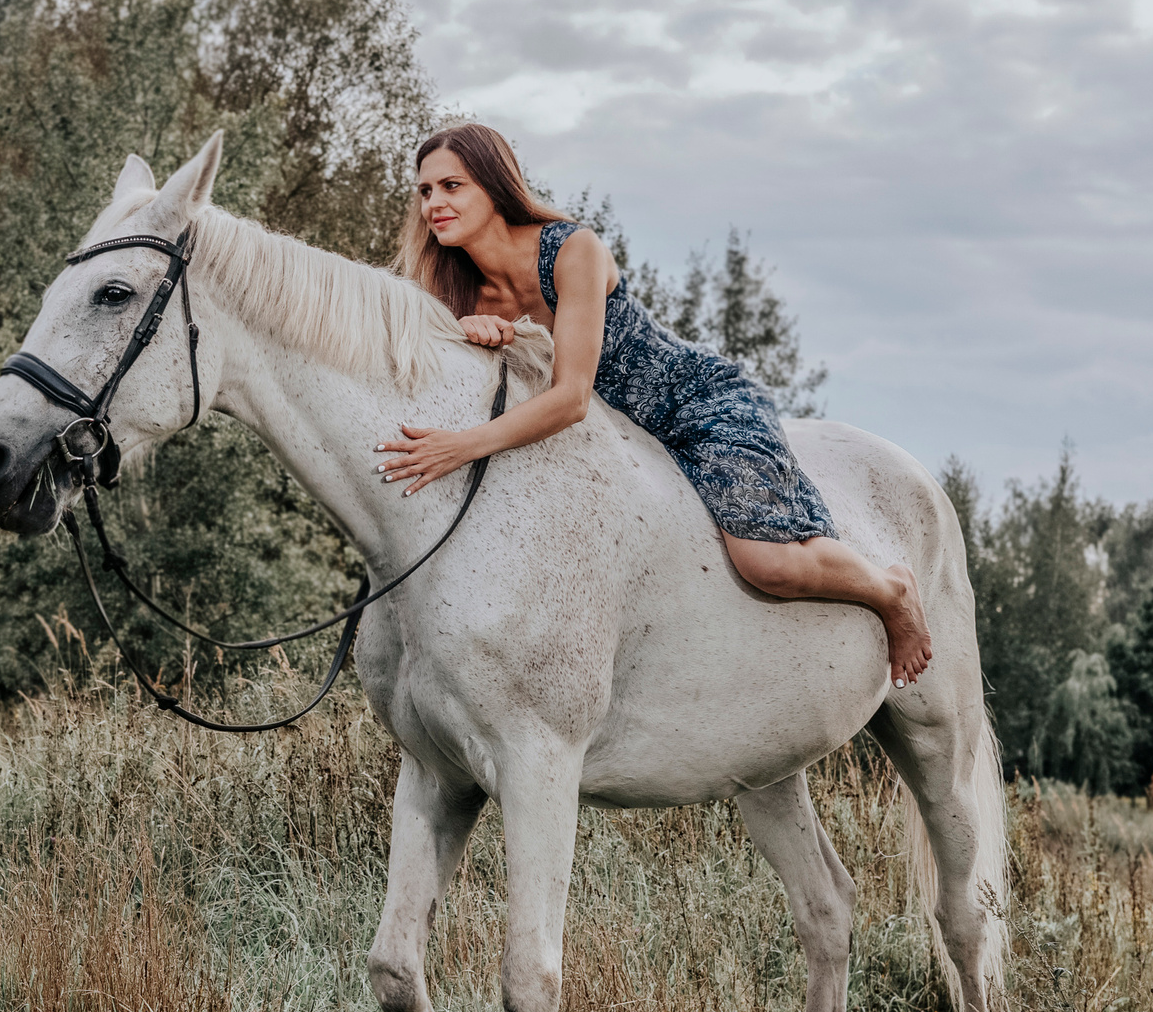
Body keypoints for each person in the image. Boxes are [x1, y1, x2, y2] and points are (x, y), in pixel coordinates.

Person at [374, 124, 933, 685]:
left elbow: (569, 398)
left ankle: (892, 589)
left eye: (451, 186)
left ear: (495, 187)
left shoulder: (572, 249)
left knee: (769, 564)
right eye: (425, 192)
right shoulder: (456, 292)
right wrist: (473, 332)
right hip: (618, 439)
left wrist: (459, 448)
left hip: (697, 404)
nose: (434, 204)